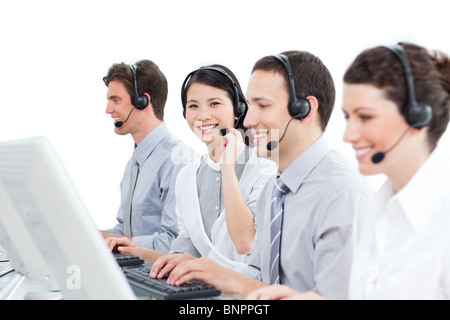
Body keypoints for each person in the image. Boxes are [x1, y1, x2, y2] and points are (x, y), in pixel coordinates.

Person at [144, 50, 374, 300]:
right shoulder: (274, 190)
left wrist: (223, 276)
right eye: (250, 106)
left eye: (263, 105)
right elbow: (258, 275)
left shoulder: (341, 193)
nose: (250, 120)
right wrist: (210, 273)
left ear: (304, 109)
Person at [247, 42, 450, 300]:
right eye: (347, 118)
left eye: (365, 117)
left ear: (417, 117)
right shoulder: (379, 209)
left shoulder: (442, 221)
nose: (348, 136)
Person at [106, 65, 277, 270]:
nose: (203, 116)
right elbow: (183, 255)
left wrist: (227, 167)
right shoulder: (188, 176)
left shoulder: (265, 170)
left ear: (238, 109)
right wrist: (137, 251)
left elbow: (244, 243)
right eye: (193, 106)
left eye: (214, 103)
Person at [100, 60, 194, 252]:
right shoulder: (134, 163)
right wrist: (94, 236)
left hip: (161, 277)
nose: (108, 110)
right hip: (134, 273)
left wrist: (118, 242)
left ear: (142, 101)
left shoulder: (177, 161)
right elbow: (126, 230)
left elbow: (174, 243)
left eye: (115, 100)